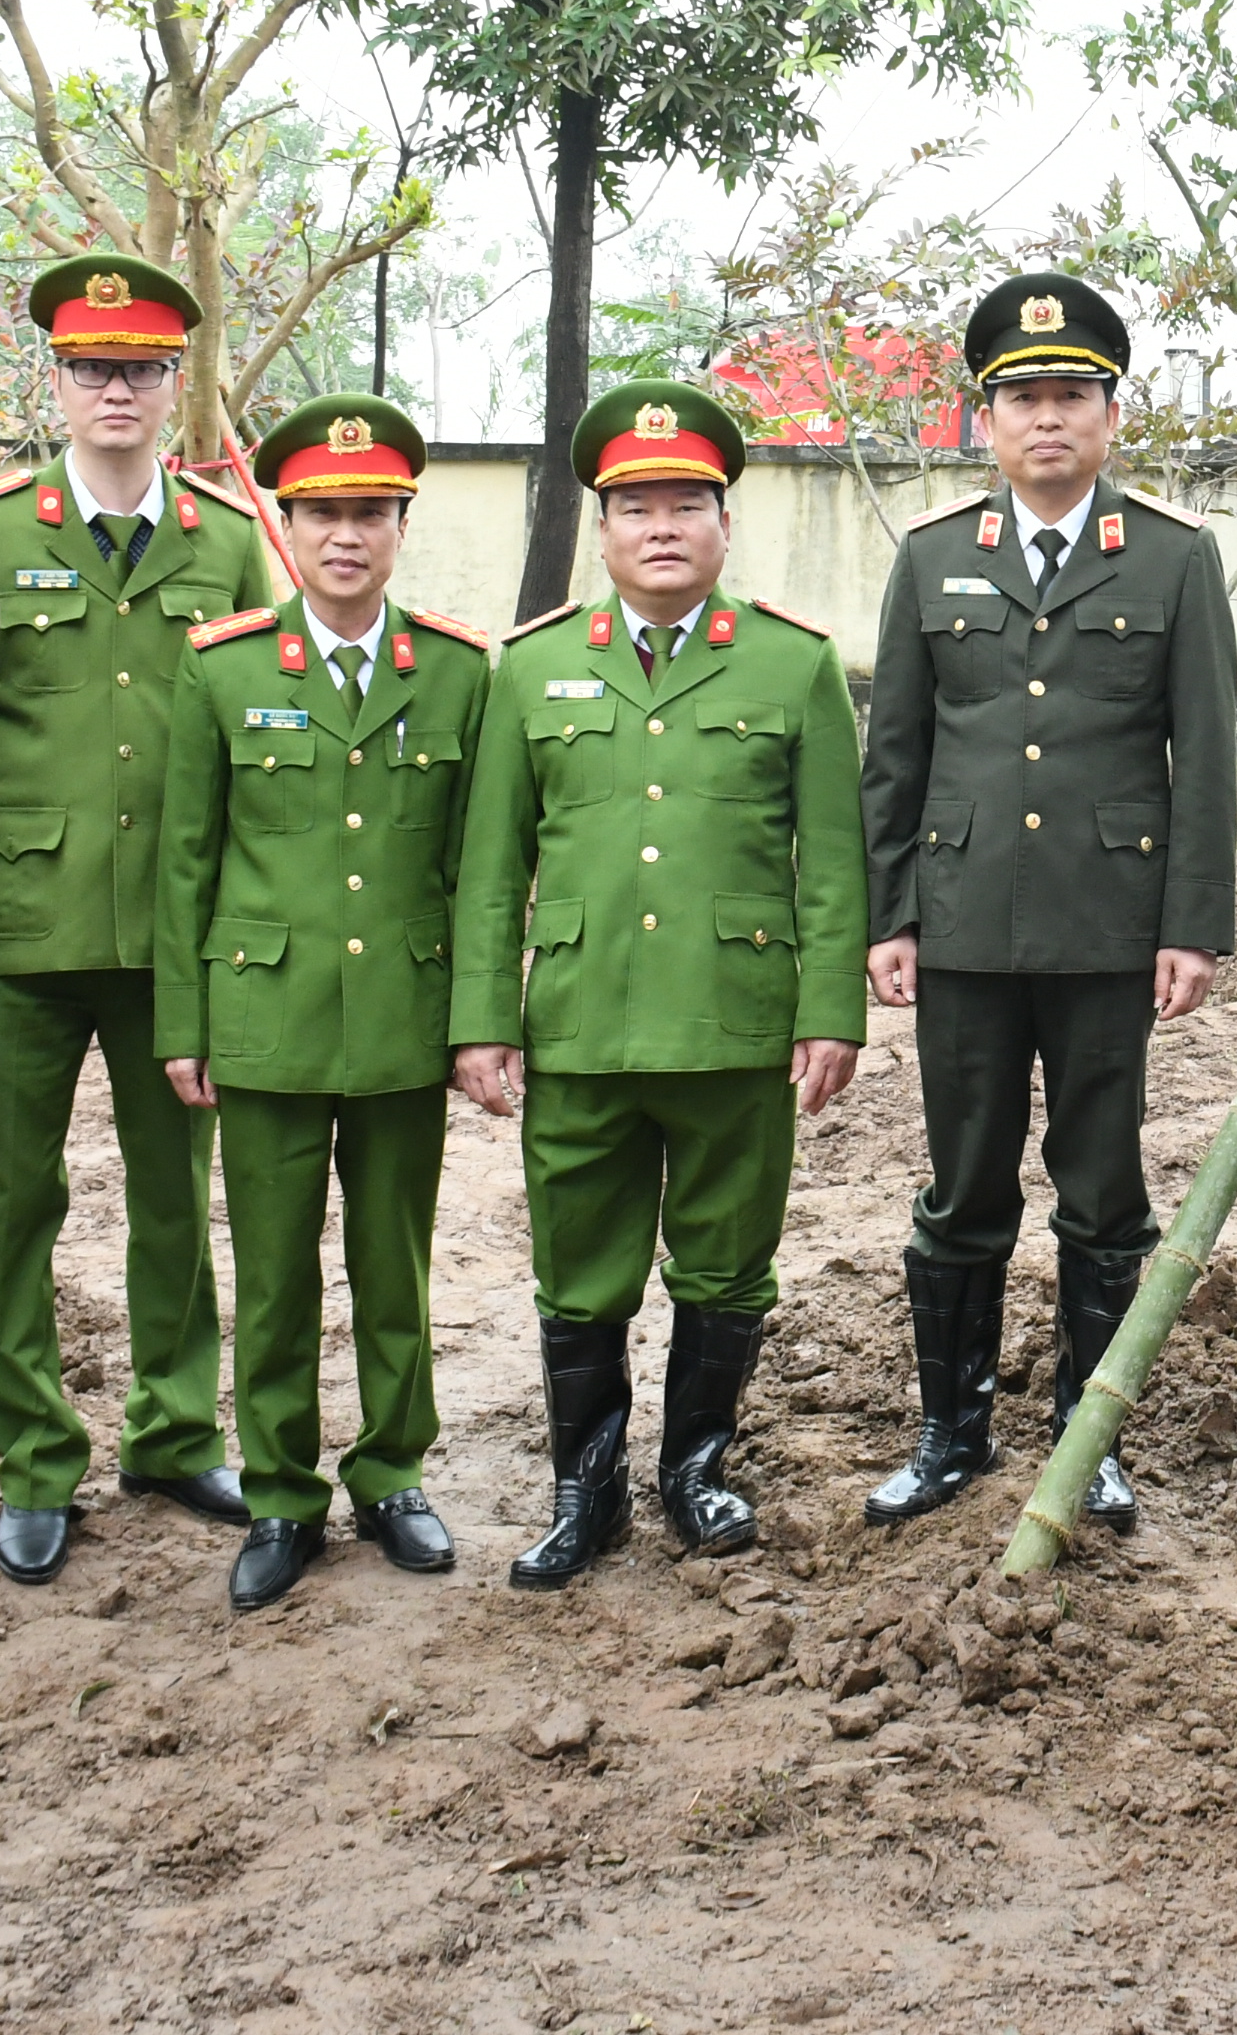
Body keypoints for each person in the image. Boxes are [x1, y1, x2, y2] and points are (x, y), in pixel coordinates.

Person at [451, 379, 867, 1589]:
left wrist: (829, 1012)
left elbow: (833, 864)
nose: (664, 527)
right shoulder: (530, 667)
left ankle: (695, 1472)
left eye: (688, 504)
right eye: (637, 508)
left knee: (726, 1262)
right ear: (603, 529)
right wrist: (482, 1018)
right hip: (580, 1022)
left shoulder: (793, 665)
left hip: (737, 1021)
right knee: (579, 1267)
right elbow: (492, 866)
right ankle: (585, 1496)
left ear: (726, 524)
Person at [857, 273, 1237, 1534]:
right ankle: (950, 1433)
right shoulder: (932, 558)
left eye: (1072, 394)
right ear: (987, 421)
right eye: (1022, 398)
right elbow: (896, 755)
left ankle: (1092, 1439)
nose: (1048, 417)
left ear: (1111, 415)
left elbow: (1206, 756)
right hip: (964, 926)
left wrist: (1191, 926)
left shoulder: (1175, 559)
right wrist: (889, 915)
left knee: (1103, 1189)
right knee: (963, 1186)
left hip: (1106, 930)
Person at [0, 256, 275, 1583]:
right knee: (15, 1199)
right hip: (21, 932)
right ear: (59, 382)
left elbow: (249, 748)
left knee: (176, 1197)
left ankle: (175, 1432)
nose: (115, 390)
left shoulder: (226, 541)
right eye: (92, 369)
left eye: (138, 369)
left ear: (173, 384)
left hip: (171, 942)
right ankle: (33, 1458)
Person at [155, 397, 493, 1612]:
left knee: (395, 1269)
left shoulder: (457, 671)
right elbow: (186, 862)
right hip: (267, 1021)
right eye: (321, 514)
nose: (346, 536)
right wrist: (184, 1026)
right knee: (274, 1275)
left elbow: (478, 869)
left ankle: (393, 1474)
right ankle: (283, 1494)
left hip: (402, 1017)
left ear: (402, 526)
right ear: (286, 527)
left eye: (370, 514)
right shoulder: (224, 666)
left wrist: (475, 1021)